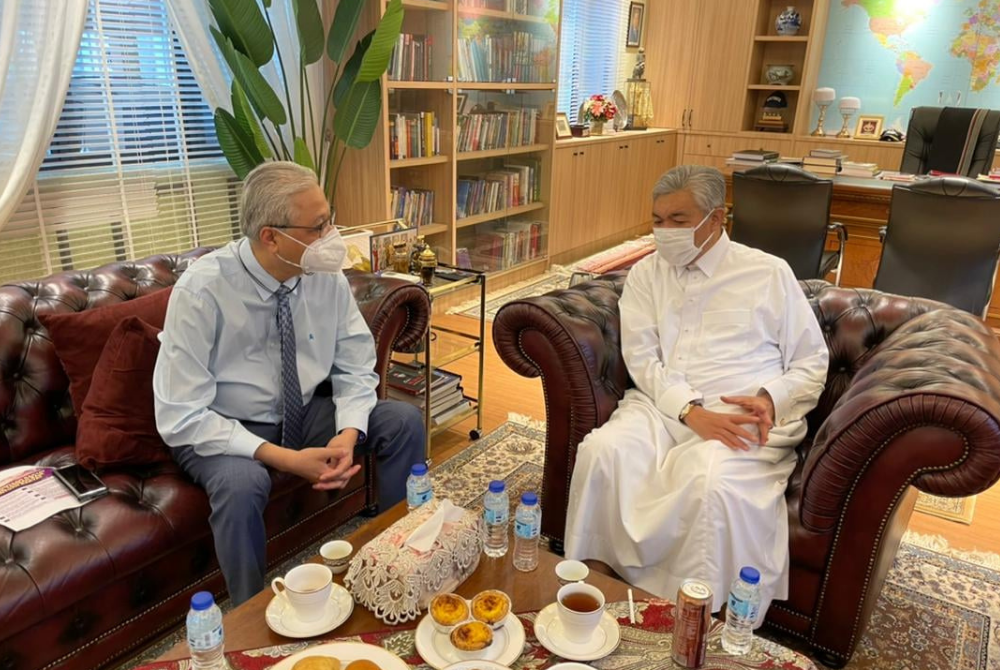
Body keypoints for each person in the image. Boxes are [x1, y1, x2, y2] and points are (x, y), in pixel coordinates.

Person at [564, 165, 828, 620]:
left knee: (710, 484)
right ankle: (592, 588)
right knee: (602, 452)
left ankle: (696, 614)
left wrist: (769, 399)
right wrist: (688, 410)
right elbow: (643, 358)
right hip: (663, 405)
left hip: (739, 414)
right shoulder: (646, 274)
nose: (665, 232)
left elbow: (811, 361)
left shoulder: (767, 273)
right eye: (657, 220)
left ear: (716, 218)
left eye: (678, 220)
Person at [153, 161, 425, 605]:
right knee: (242, 486)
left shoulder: (323, 275)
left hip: (302, 411)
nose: (331, 236)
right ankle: (249, 611)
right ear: (271, 237)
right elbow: (180, 415)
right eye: (318, 227)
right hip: (222, 427)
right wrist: (285, 458)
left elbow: (356, 364)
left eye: (329, 219)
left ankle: (391, 564)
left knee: (402, 420)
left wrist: (348, 431)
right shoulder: (202, 291)